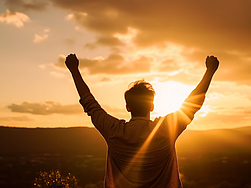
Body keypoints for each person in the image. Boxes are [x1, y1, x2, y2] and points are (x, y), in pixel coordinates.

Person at [65, 54, 219, 188]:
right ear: (152, 106)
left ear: (127, 107)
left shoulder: (113, 130)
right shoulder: (165, 129)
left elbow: (90, 104)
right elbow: (192, 104)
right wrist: (209, 71)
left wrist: (74, 70)